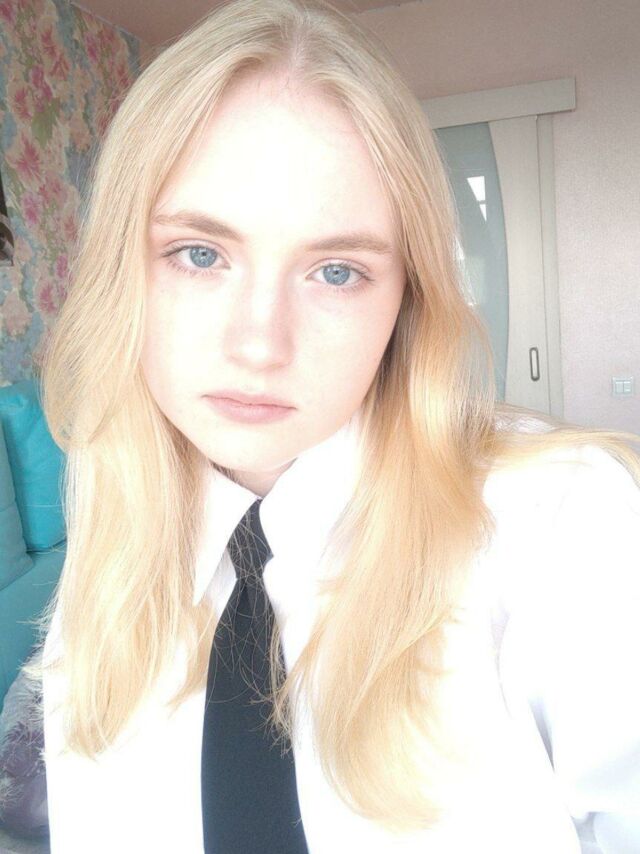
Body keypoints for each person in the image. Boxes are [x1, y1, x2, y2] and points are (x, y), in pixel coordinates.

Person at [18, 0, 640, 850]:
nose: (259, 345)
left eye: (337, 271)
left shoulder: (564, 525)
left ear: (407, 301)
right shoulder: (112, 511)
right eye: (199, 254)